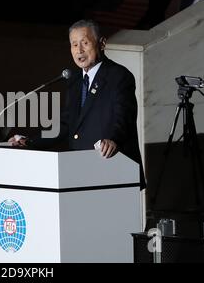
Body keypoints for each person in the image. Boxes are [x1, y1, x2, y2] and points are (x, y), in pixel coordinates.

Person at [10, 19, 145, 187]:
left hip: (113, 169)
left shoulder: (119, 76)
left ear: (102, 43)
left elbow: (124, 116)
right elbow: (67, 123)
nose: (79, 50)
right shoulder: (74, 79)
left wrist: (113, 139)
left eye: (85, 43)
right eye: (74, 45)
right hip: (82, 172)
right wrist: (31, 141)